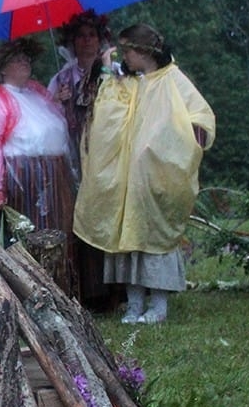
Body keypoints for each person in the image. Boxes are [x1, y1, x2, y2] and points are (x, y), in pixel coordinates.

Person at [74, 24, 215, 324]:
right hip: (127, 181)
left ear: (144, 52)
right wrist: (108, 75)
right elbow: (105, 115)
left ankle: (159, 306)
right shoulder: (129, 82)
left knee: (155, 238)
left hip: (157, 178)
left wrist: (177, 143)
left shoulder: (172, 79)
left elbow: (201, 119)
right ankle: (135, 302)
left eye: (128, 50)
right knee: (128, 239)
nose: (125, 56)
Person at [0, 37, 76, 277]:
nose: (24, 63)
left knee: (53, 234)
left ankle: (58, 282)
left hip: (54, 178)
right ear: (2, 67)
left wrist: (59, 102)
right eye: (17, 59)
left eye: (26, 59)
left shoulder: (37, 92)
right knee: (27, 236)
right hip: (23, 181)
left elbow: (51, 127)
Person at [48, 10, 116, 309]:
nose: (87, 42)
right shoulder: (61, 78)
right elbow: (49, 121)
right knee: (79, 218)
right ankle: (86, 290)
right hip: (75, 157)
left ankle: (115, 289)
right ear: (71, 41)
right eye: (80, 36)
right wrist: (58, 102)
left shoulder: (114, 72)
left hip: (107, 153)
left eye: (92, 36)